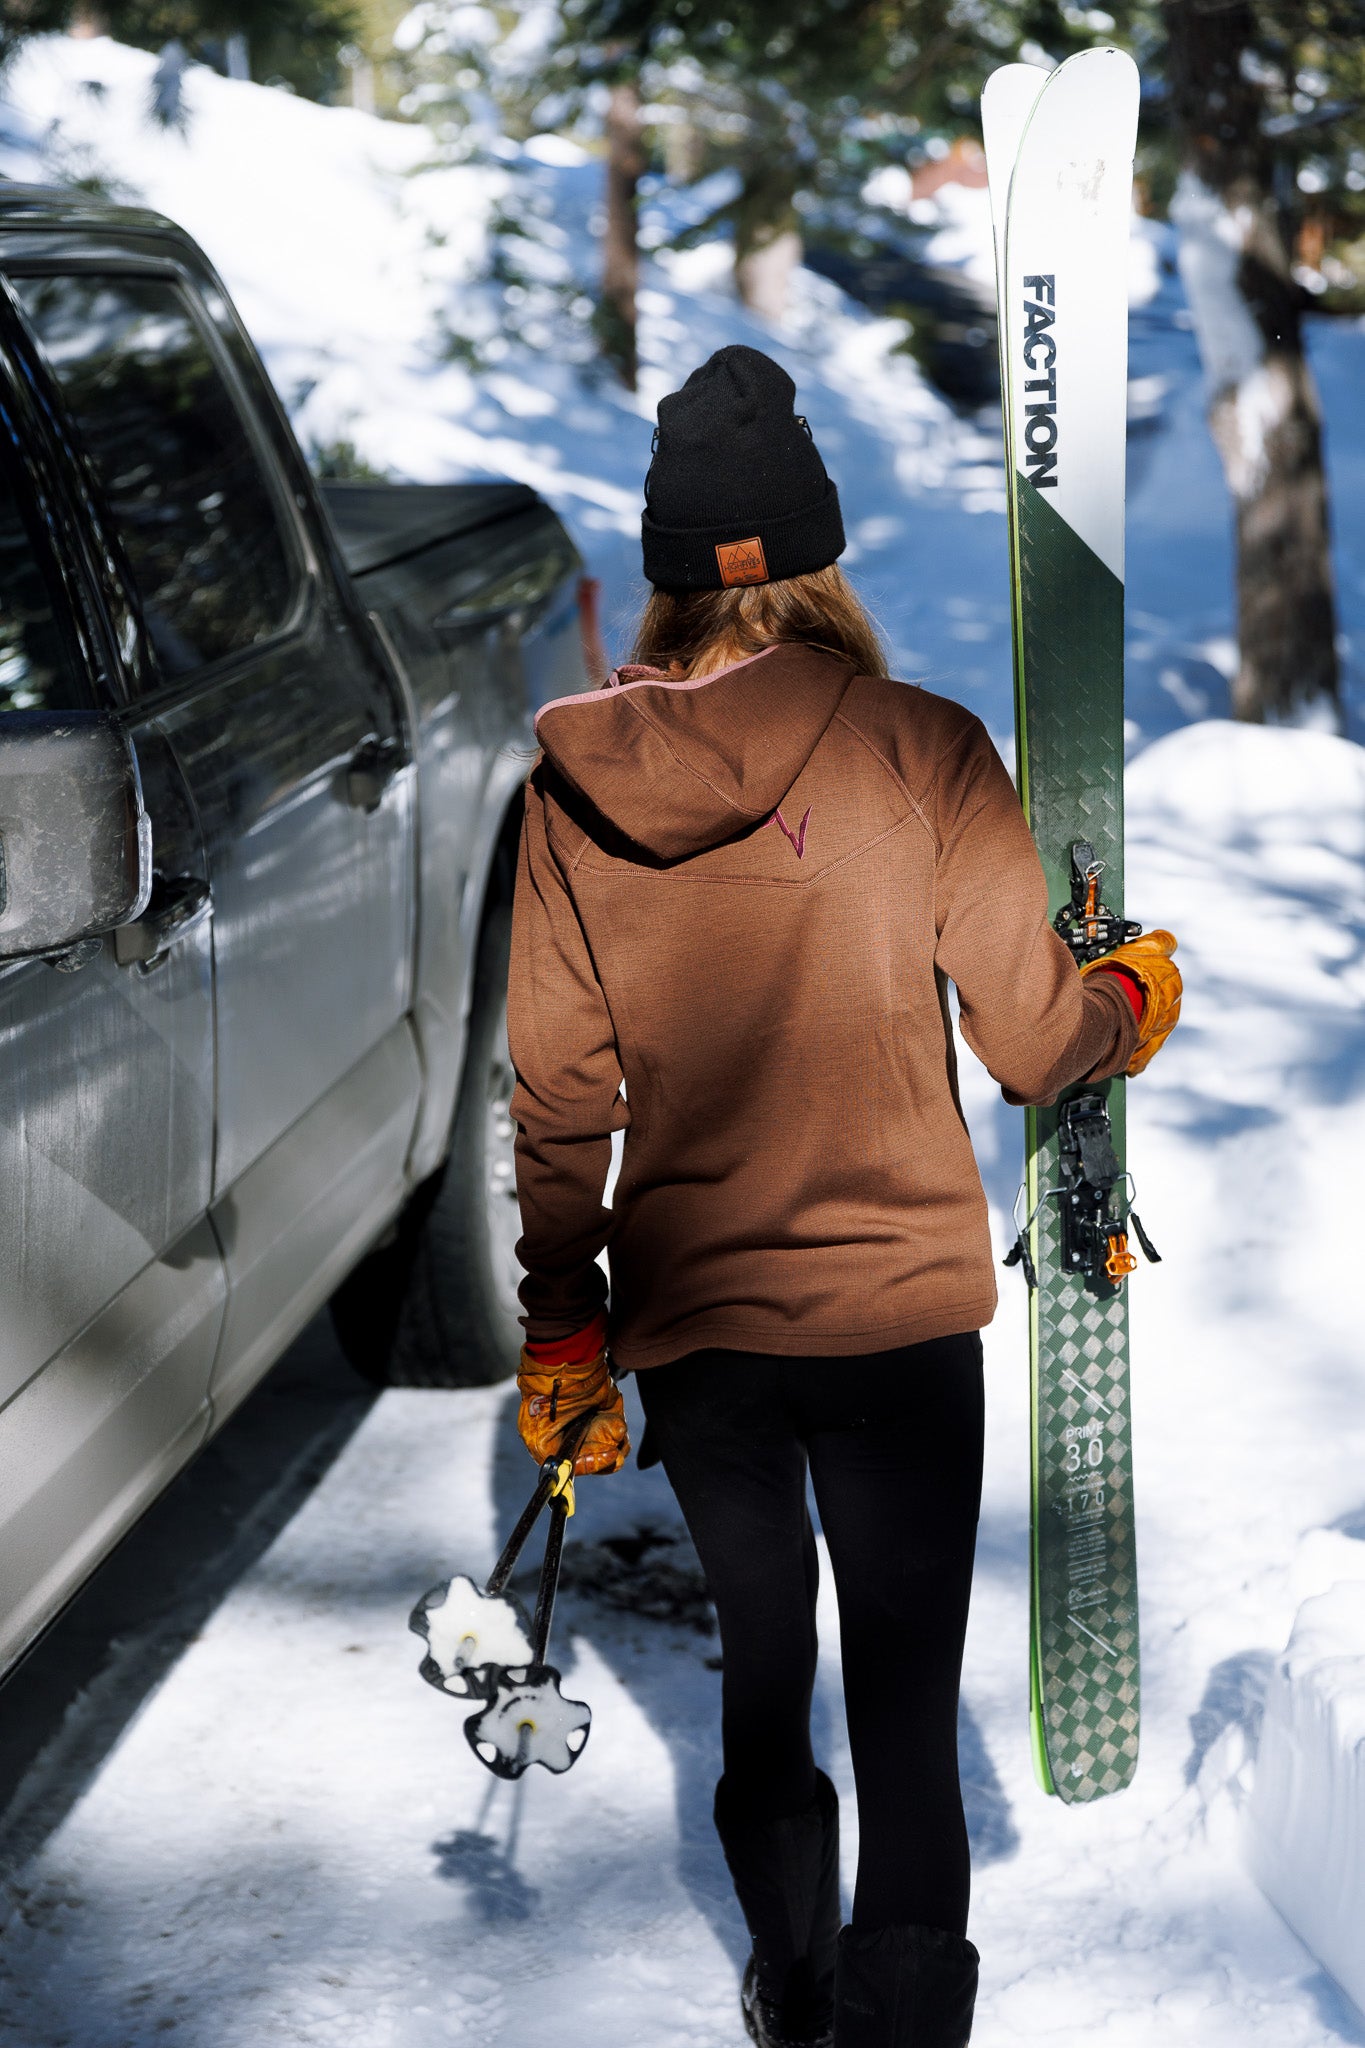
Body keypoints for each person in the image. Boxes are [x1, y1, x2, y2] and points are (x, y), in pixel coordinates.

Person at [507, 345, 1181, 2048]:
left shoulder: (570, 796)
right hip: (894, 1325)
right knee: (900, 1706)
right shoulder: (918, 747)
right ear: (818, 553)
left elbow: (559, 1100)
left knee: (762, 1672)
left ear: (667, 574)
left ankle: (793, 1993)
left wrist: (563, 1334)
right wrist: (1125, 1003)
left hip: (699, 1328)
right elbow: (1033, 1042)